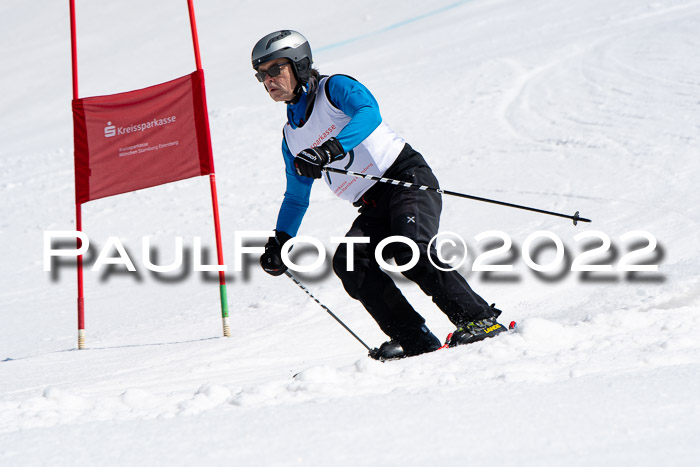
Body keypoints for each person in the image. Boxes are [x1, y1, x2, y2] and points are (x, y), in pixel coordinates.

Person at [252, 30, 506, 360]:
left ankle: (480, 320)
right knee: (350, 263)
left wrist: (330, 150)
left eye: (275, 69)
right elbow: (297, 196)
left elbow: (369, 113)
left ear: (299, 65)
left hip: (405, 179)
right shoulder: (291, 137)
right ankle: (416, 341)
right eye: (261, 74)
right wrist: (281, 240)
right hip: (372, 203)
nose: (268, 79)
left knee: (408, 246)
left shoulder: (334, 88)